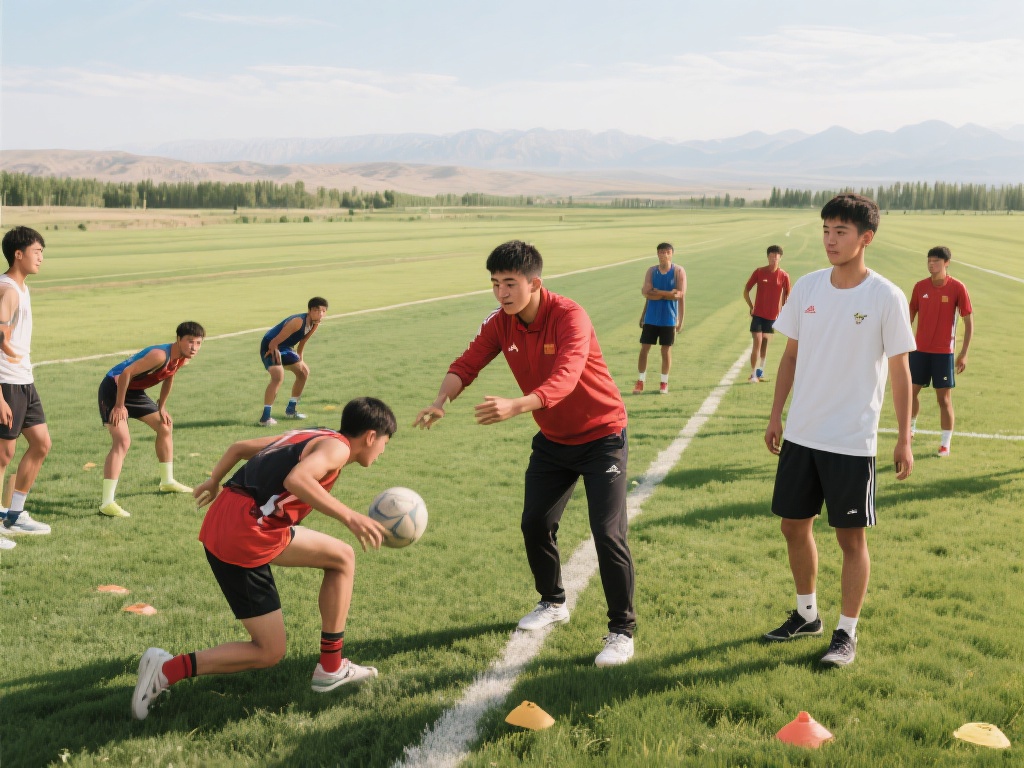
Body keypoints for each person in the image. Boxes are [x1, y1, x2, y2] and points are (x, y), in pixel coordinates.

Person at [413, 240, 636, 667]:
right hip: (554, 440)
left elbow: (567, 377)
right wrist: (441, 399)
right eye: (495, 284)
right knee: (535, 523)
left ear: (535, 283)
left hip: (602, 435)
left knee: (608, 533)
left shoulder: (571, 316)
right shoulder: (501, 322)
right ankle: (553, 602)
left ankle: (621, 632)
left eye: (510, 284)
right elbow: (468, 363)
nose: (501, 293)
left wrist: (517, 405)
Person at [131, 397, 393, 720]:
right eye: (384, 443)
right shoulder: (337, 449)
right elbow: (296, 481)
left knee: (341, 557)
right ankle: (166, 669)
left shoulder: (312, 434)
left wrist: (214, 480)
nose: (382, 452)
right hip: (247, 532)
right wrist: (350, 517)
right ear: (370, 437)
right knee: (269, 651)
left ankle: (331, 666)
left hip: (233, 518)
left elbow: (240, 446)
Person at [763, 194, 915, 668]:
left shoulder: (885, 296)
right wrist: (775, 415)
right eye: (826, 230)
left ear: (865, 238)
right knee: (793, 526)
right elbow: (789, 357)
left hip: (850, 439)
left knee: (850, 539)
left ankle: (846, 633)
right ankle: (807, 614)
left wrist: (905, 437)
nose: (830, 240)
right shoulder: (807, 288)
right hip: (802, 435)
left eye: (841, 232)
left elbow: (900, 372)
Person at [97, 322, 205, 518]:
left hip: (135, 392)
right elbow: (125, 374)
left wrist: (161, 406)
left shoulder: (182, 358)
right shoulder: (159, 355)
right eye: (190, 342)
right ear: (178, 340)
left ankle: (167, 481)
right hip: (114, 389)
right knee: (122, 441)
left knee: (164, 427)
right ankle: (107, 502)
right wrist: (119, 405)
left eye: (198, 343)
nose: (194, 347)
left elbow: (170, 376)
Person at [0, 226, 53, 547]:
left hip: (24, 381)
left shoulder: (21, 288)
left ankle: (15, 515)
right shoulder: (7, 290)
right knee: (2, 456)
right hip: (5, 383)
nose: (41, 259)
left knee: (41, 443)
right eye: (37, 252)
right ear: (17, 254)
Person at [908, 247, 974, 457]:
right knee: (910, 393)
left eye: (936, 261)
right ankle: (910, 430)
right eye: (929, 260)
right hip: (919, 351)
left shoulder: (957, 288)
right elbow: (909, 315)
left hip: (944, 353)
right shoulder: (920, 287)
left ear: (947, 263)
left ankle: (945, 443)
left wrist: (964, 353)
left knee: (943, 400)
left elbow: (968, 321)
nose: (931, 264)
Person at [259, 297, 329, 426]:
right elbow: (274, 342)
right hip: (270, 346)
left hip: (285, 348)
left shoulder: (315, 324)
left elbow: (302, 343)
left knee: (304, 372)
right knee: (278, 376)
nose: (320, 314)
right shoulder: (297, 321)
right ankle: (265, 418)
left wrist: (300, 359)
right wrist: (276, 357)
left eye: (323, 311)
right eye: (317, 311)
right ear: (309, 311)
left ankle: (291, 410)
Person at [633, 242, 685, 394]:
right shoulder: (651, 271)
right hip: (651, 318)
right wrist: (668, 294)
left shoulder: (678, 271)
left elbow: (679, 294)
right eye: (660, 252)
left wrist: (660, 293)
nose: (663, 255)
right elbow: (646, 292)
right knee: (644, 349)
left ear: (671, 253)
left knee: (665, 351)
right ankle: (640, 381)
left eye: (666, 252)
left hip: (669, 318)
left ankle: (664, 382)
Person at [743, 245, 791, 382]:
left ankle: (760, 371)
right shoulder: (759, 272)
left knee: (765, 343)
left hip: (772, 317)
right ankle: (753, 374)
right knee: (757, 341)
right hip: (758, 315)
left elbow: (788, 294)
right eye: (771, 257)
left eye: (776, 257)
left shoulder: (784, 276)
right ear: (768, 257)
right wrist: (751, 307)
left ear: (780, 258)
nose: (773, 260)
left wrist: (783, 310)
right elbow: (746, 291)